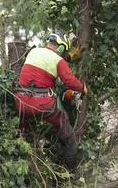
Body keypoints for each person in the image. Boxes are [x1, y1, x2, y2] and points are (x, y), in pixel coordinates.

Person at [14, 29, 87, 167]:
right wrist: (82, 88)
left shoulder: (34, 52)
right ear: (60, 47)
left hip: (20, 102)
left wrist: (69, 57)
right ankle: (71, 168)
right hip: (41, 104)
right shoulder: (58, 60)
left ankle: (20, 142)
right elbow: (69, 81)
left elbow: (47, 60)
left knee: (24, 129)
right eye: (63, 50)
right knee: (64, 126)